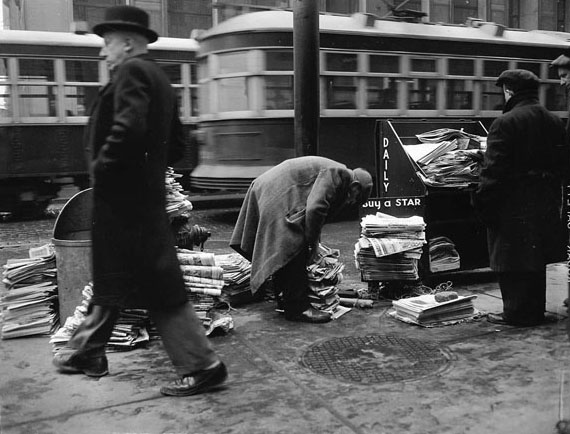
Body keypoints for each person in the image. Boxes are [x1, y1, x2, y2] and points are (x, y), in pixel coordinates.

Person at [52, 5, 227, 397]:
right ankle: (89, 351)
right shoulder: (160, 79)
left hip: (123, 202)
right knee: (124, 279)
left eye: (107, 44)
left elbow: (127, 128)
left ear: (128, 42)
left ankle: (203, 366)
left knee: (155, 284)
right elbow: (178, 144)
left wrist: (104, 167)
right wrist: (148, 175)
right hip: (141, 200)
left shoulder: (131, 72)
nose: (102, 53)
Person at [472, 69, 569, 326]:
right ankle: (535, 311)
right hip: (544, 201)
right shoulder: (553, 120)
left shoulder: (505, 122)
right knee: (535, 258)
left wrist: (482, 202)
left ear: (509, 91)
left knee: (511, 258)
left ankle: (516, 314)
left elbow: (494, 171)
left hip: (512, 204)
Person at [230, 156, 373, 324]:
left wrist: (313, 240)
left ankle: (285, 299)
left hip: (268, 188)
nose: (350, 202)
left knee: (282, 249)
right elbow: (315, 208)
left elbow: (314, 212)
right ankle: (298, 309)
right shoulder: (339, 174)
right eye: (355, 198)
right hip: (276, 193)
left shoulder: (337, 173)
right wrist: (312, 245)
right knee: (294, 246)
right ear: (355, 187)